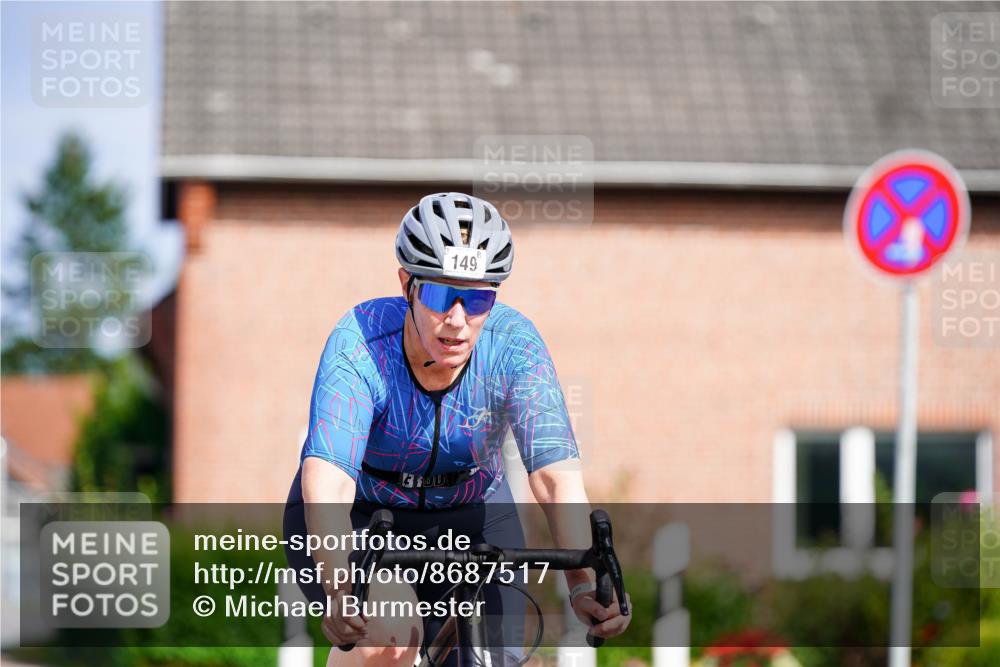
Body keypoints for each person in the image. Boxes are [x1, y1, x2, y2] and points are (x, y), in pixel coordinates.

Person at [283, 192, 630, 667]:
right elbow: (331, 482)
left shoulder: (514, 347)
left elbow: (555, 479)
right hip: (366, 515)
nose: (458, 321)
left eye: (479, 297)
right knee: (389, 634)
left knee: (491, 657)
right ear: (406, 283)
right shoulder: (360, 341)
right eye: (441, 295)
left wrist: (585, 584)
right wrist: (340, 585)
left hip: (473, 513)